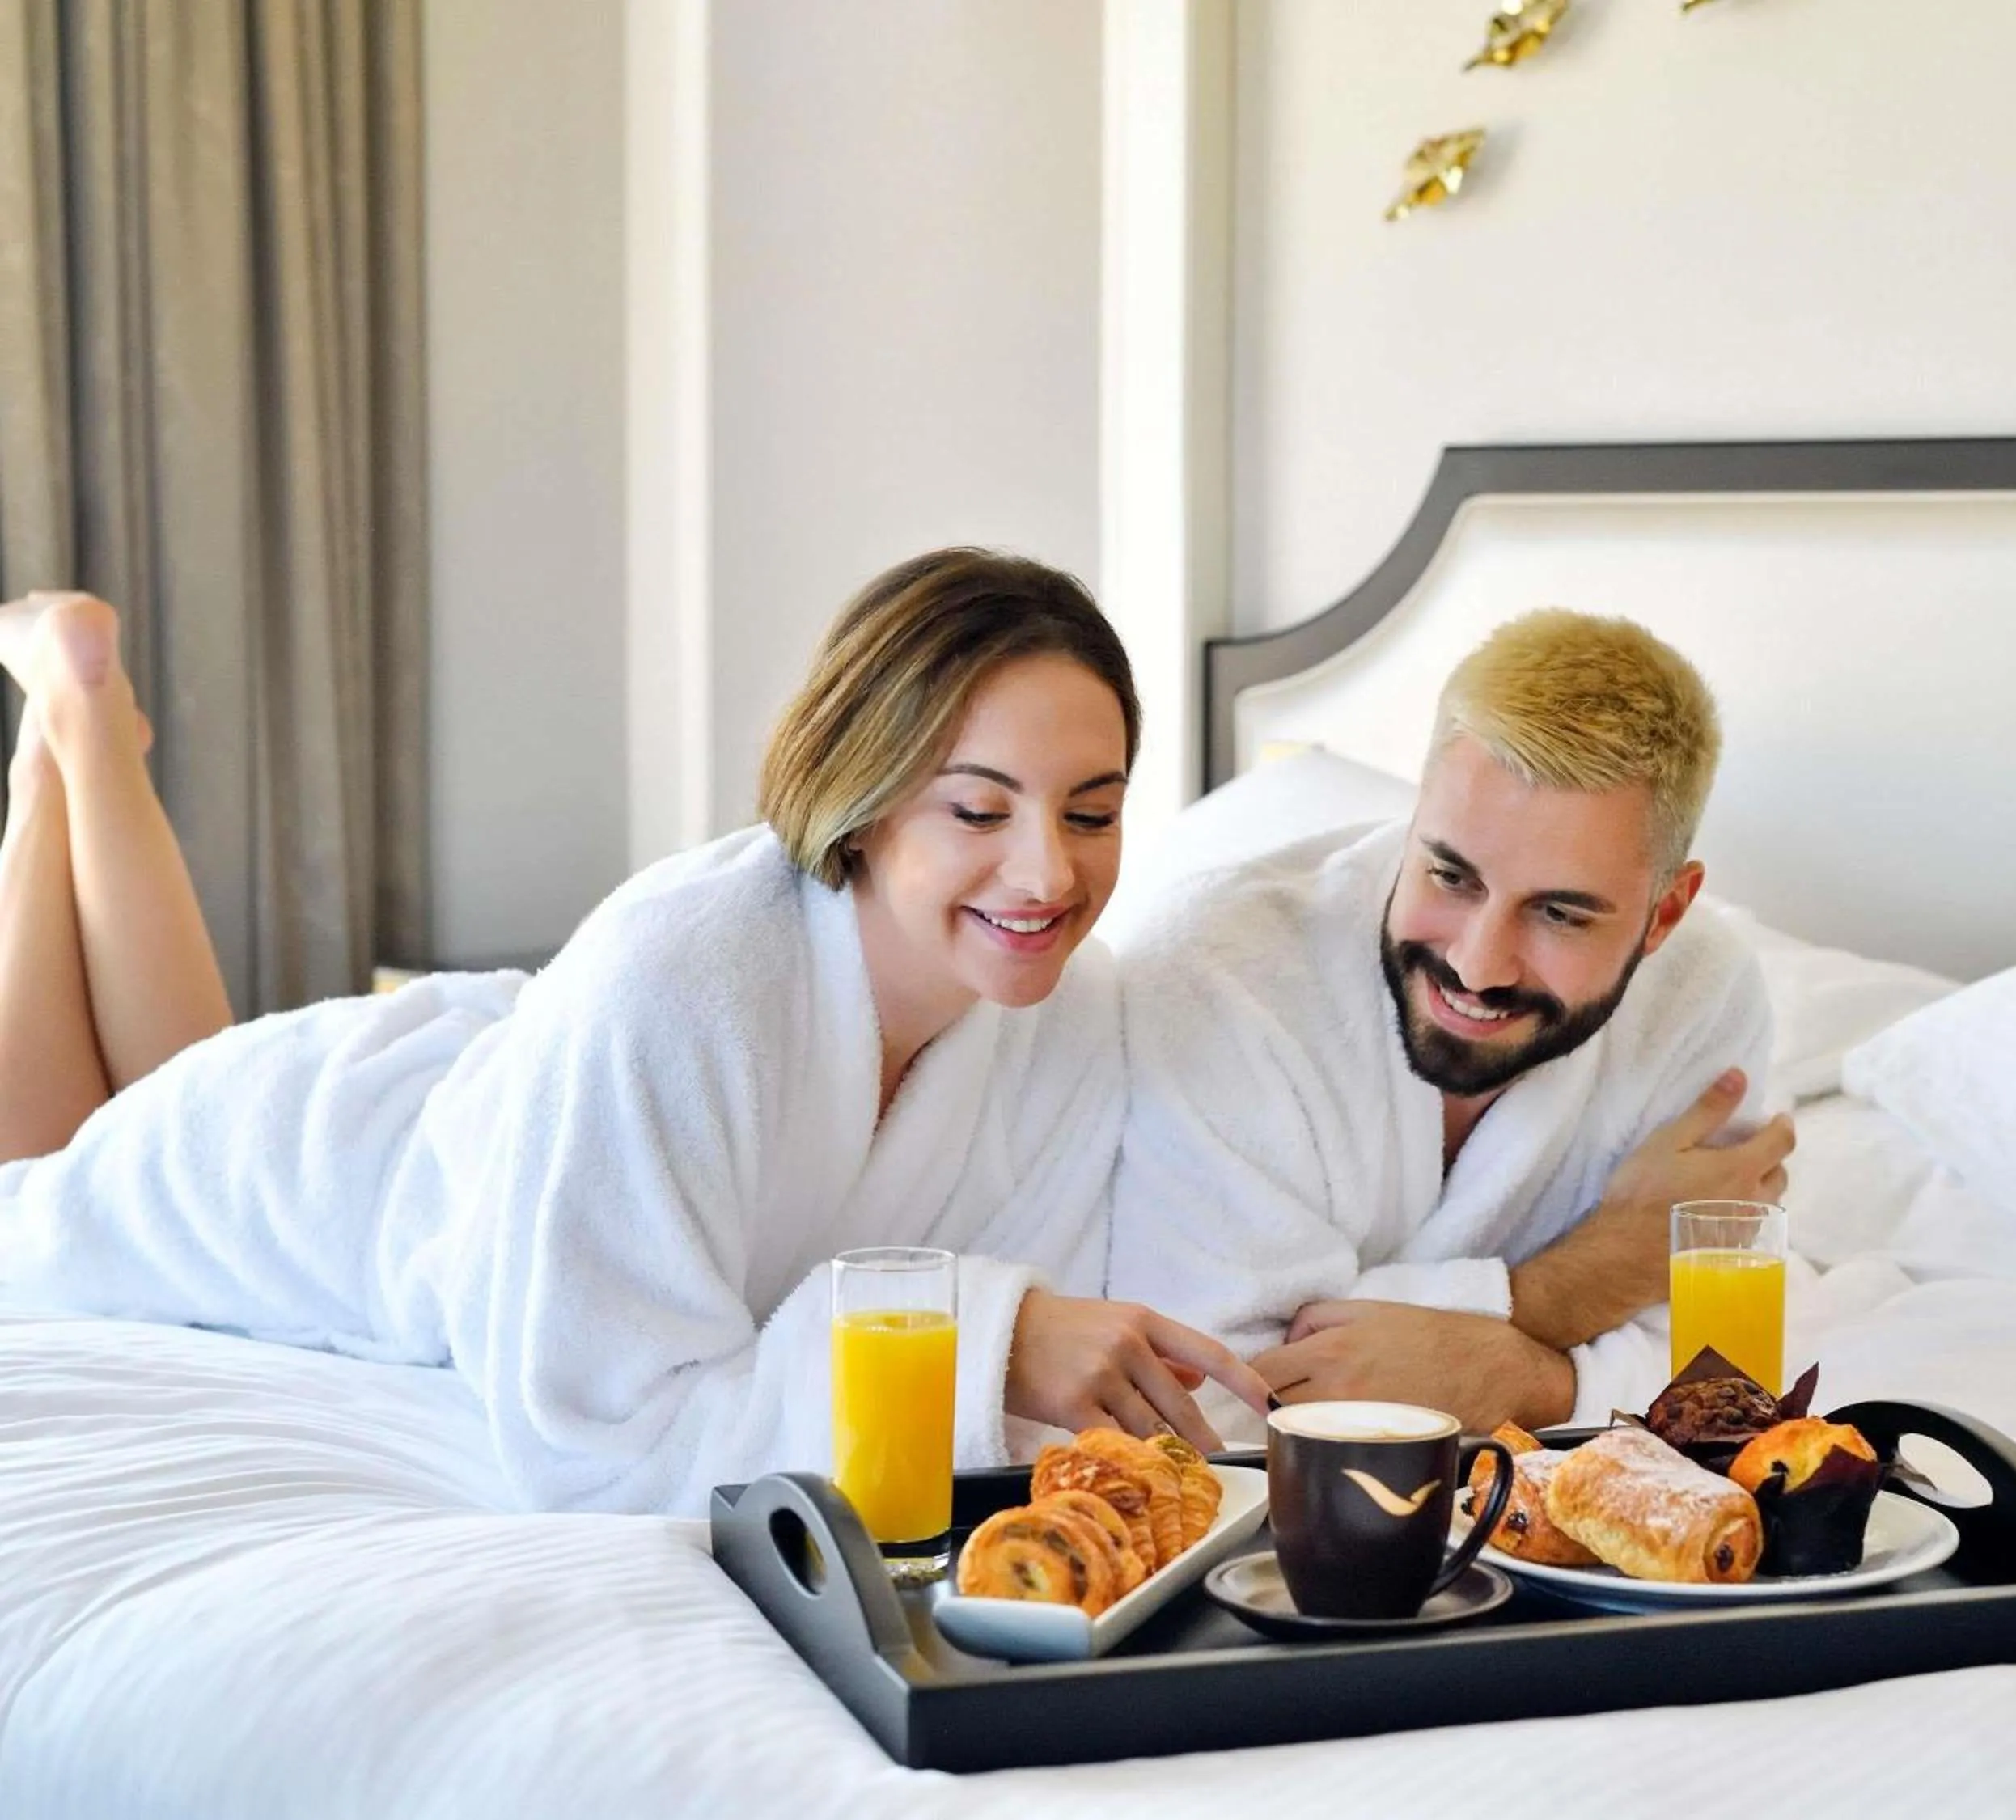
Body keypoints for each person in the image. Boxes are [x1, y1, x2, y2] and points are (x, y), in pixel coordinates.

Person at [0, 552, 1266, 1513]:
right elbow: (592, 1441)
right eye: (979, 810)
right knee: (38, 1173)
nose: (1047, 873)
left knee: (99, 1100)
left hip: (503, 1067)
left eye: (1091, 815)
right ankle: (72, 729)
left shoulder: (1067, 1015)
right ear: (867, 801)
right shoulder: (689, 973)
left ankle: (77, 733)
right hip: (318, 1159)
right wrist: (984, 1347)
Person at [1108, 609, 1794, 1439]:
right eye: (1450, 876)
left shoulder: (1703, 998)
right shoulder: (1220, 976)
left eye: (1560, 915)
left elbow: (1730, 1381)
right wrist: (1582, 1284)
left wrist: (1530, 1381)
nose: (1478, 966)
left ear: (1665, 914)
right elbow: (1217, 1401)